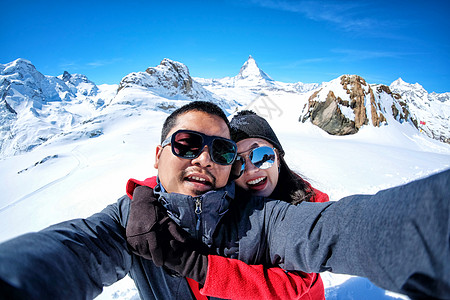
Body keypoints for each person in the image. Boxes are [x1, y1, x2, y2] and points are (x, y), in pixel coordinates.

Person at [0, 101, 449, 300]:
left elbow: (337, 230)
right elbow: (71, 252)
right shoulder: (131, 221)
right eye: (186, 144)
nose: (202, 158)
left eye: (220, 150)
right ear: (158, 155)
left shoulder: (265, 216)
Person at [125, 110, 329, 299]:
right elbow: (181, 181)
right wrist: (145, 197)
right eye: (237, 162)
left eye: (261, 156)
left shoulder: (310, 206)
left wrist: (200, 267)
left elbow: (292, 283)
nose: (250, 170)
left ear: (277, 158)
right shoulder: (229, 200)